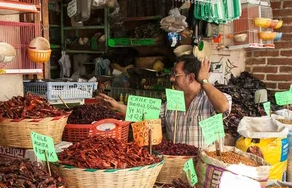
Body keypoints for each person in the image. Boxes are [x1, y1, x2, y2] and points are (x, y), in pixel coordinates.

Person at [96, 55, 229, 148]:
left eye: (176, 74)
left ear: (191, 78)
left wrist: (204, 81)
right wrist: (117, 106)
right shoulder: (174, 100)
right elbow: (149, 114)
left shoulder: (208, 99)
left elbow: (223, 106)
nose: (172, 79)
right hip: (176, 164)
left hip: (202, 165)